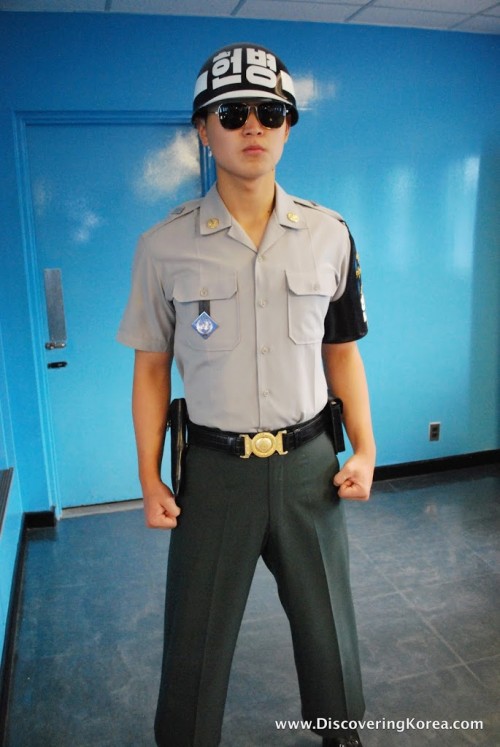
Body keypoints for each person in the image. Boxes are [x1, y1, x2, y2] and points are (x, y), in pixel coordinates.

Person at [118, 42, 375, 747]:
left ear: (289, 125)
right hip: (215, 477)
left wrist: (369, 447)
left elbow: (342, 354)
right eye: (232, 113)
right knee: (195, 644)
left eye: (271, 112)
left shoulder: (330, 236)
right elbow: (149, 370)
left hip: (308, 469)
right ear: (203, 130)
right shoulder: (163, 246)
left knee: (331, 634)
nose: (252, 126)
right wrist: (147, 477)